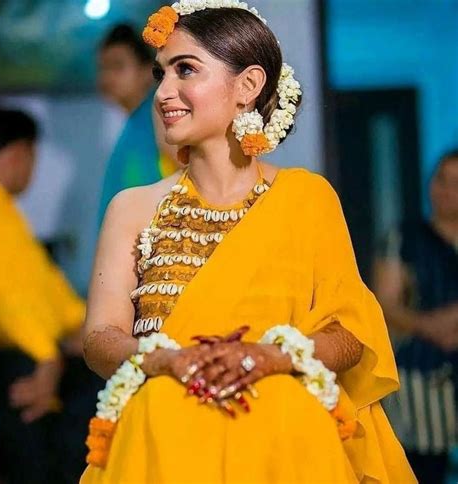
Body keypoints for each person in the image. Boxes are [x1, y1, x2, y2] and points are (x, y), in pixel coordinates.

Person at [81, 2, 416, 482]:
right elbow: (100, 339)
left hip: (284, 431)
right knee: (160, 407)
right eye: (160, 74)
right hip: (163, 429)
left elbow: (350, 337)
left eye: (185, 70)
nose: (163, 92)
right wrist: (166, 360)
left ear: (248, 85)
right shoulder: (131, 207)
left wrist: (269, 358)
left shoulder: (306, 198)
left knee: (284, 409)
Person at [0, 108, 100, 484]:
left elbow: (43, 285)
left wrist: (83, 326)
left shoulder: (2, 209)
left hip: (26, 345)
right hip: (8, 354)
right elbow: (4, 297)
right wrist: (47, 358)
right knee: (31, 383)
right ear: (19, 154)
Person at [374, 150, 458, 484]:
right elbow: (384, 305)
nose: (447, 191)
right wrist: (431, 327)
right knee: (421, 471)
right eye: (441, 180)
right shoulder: (404, 238)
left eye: (456, 183)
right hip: (420, 381)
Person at [97, 23, 178, 223]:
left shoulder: (161, 112)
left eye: (117, 66)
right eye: (103, 68)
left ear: (147, 71)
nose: (107, 77)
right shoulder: (131, 125)